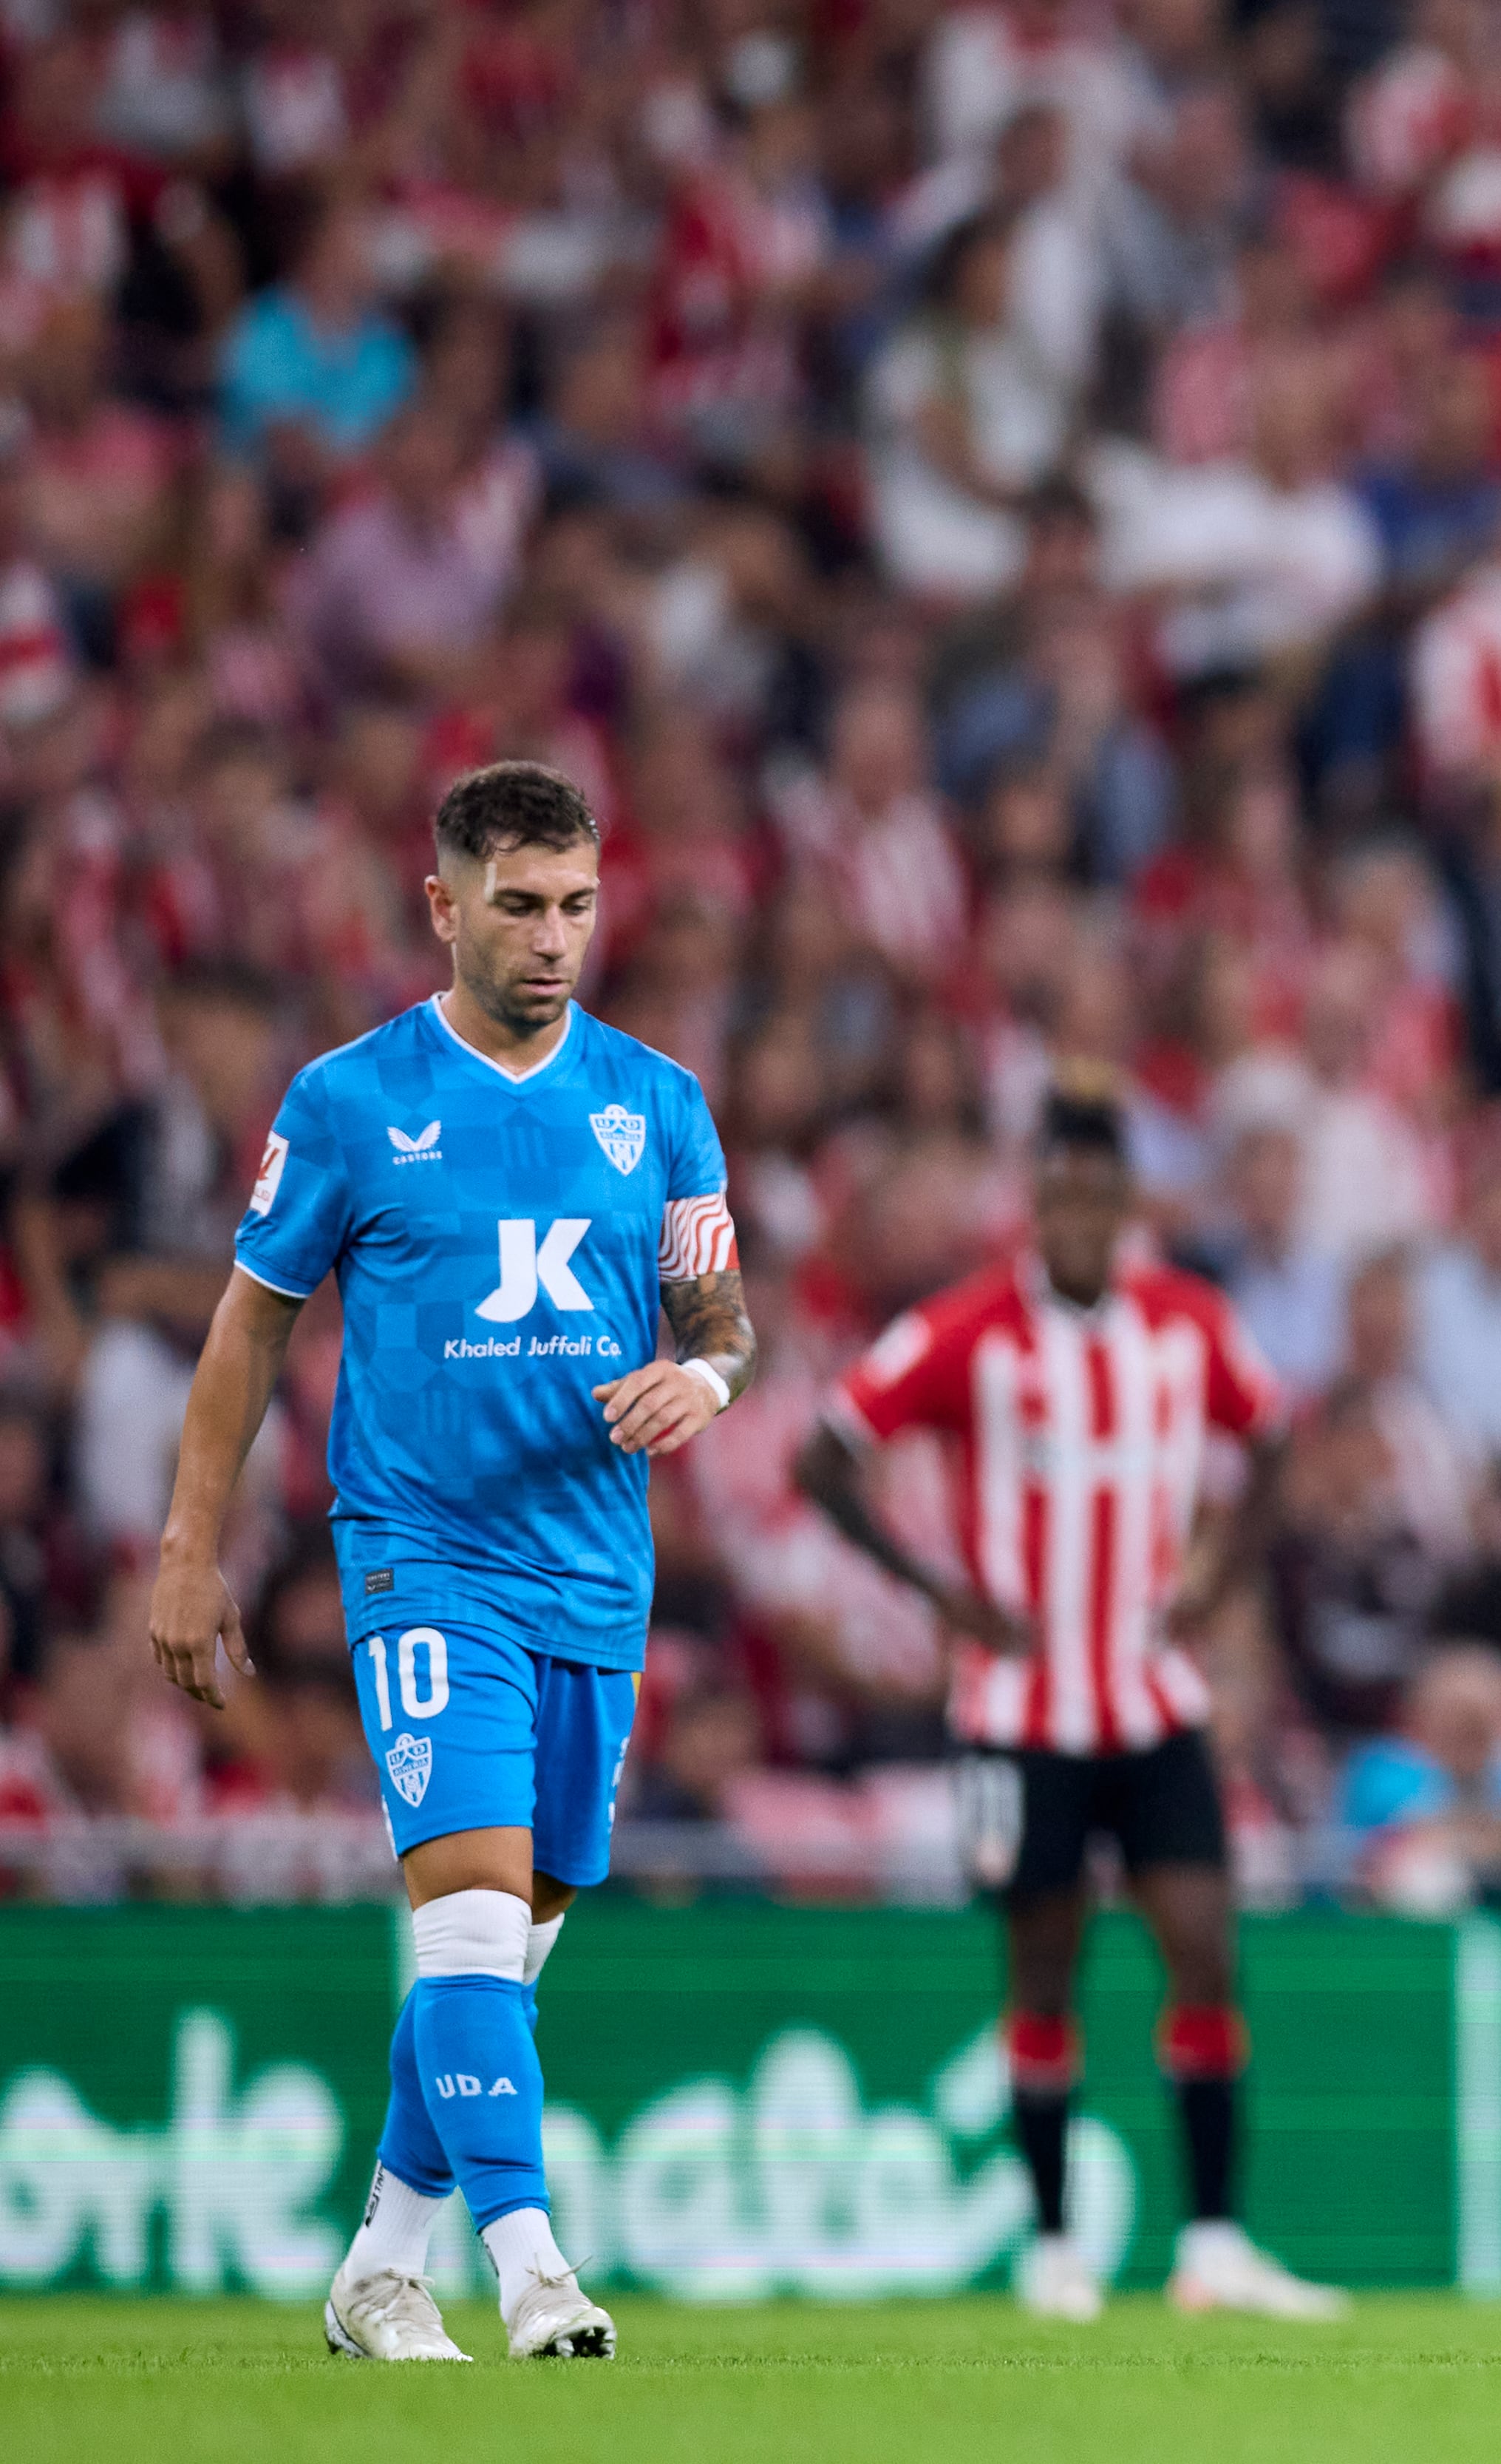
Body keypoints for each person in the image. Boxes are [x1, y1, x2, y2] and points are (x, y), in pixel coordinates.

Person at [146, 761, 756, 2362]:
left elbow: (720, 1314)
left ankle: (377, 2261)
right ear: (443, 907)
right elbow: (249, 1322)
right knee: (472, 1925)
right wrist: (188, 1543)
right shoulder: (349, 1099)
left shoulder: (659, 1101)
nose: (553, 937)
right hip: (425, 1556)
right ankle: (534, 2259)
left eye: (575, 904)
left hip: (593, 1573)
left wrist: (707, 1379)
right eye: (518, 906)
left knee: (514, 1937)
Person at [792, 1087, 1342, 2326]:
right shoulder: (968, 1331)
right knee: (1043, 1968)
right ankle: (1050, 2246)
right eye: (1062, 1194)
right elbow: (823, 1453)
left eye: (1102, 1193)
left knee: (1203, 1945)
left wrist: (1217, 1573)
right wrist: (937, 1587)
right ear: (1035, 1205)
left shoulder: (1186, 1326)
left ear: (1128, 1204)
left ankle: (1212, 2245)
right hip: (1017, 1708)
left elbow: (1280, 1443)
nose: (1082, 1215)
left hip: (1154, 1701)